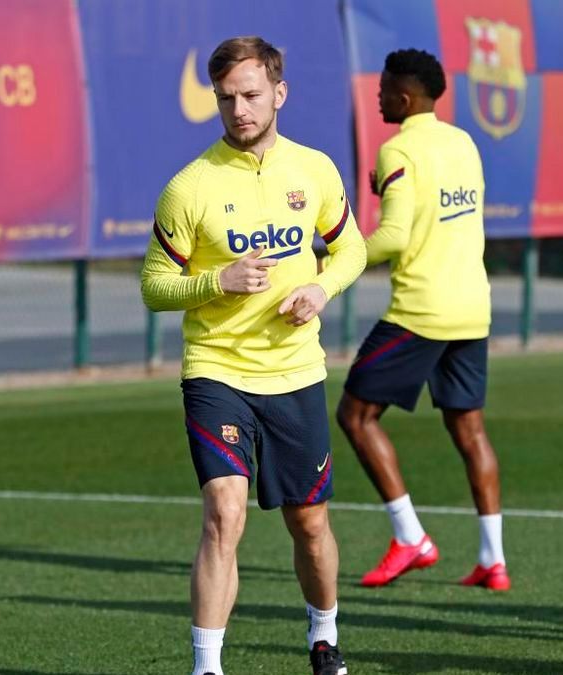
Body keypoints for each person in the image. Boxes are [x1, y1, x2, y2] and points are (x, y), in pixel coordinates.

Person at [141, 35, 365, 675]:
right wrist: (218, 281)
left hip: (295, 373)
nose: (238, 109)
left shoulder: (315, 170)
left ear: (279, 93)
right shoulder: (190, 187)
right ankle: (207, 667)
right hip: (217, 371)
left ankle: (323, 635)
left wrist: (321, 289)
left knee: (310, 524)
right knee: (224, 512)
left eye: (250, 95)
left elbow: (350, 248)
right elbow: (155, 286)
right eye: (225, 98)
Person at [336, 49, 509, 591]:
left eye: (384, 90)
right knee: (470, 431)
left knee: (355, 416)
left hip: (421, 311)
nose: (378, 97)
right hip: (472, 308)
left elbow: (394, 237)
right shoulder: (463, 142)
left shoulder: (398, 150)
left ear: (405, 98)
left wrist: (336, 260)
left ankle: (410, 537)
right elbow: (437, 210)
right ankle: (494, 560)